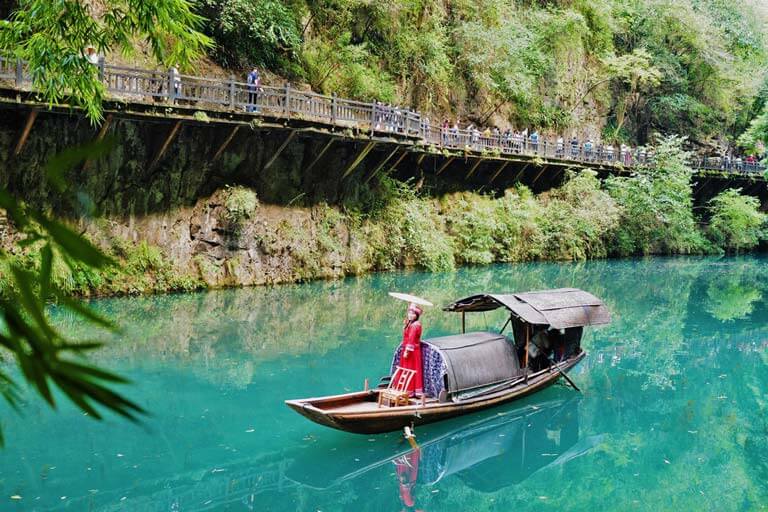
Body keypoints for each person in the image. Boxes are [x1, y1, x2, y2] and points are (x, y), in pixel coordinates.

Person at [399, 303, 424, 396]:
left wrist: (407, 351)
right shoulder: (410, 323)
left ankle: (410, 391)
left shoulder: (415, 325)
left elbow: (411, 339)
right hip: (407, 349)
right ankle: (407, 389)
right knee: (406, 369)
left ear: (416, 316)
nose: (410, 315)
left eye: (413, 314)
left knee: (410, 370)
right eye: (409, 313)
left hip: (412, 352)